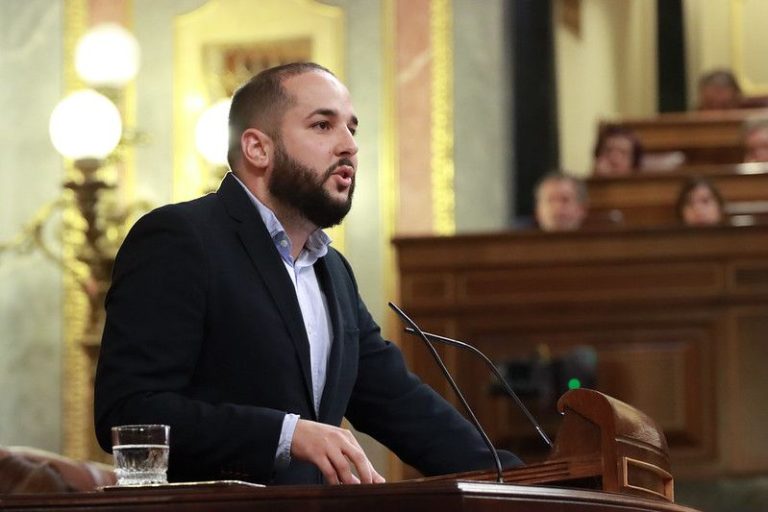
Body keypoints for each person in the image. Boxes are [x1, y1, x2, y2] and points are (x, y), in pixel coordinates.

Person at [93, 62, 522, 486]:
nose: (349, 145)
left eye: (352, 129)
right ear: (258, 149)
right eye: (322, 126)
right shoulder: (181, 238)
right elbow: (128, 411)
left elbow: (404, 407)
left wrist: (523, 481)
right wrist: (285, 434)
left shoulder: (333, 270)